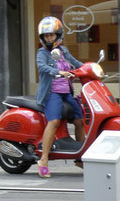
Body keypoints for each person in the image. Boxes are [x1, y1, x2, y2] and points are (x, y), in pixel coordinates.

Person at [35, 16, 85, 178]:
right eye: (46, 36)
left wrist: (91, 68)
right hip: (52, 93)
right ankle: (43, 160)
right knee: (54, 121)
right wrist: (58, 72)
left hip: (67, 92)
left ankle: (79, 157)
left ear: (58, 35)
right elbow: (42, 67)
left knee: (79, 120)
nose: (49, 38)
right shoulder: (42, 52)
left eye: (52, 35)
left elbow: (76, 63)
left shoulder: (64, 51)